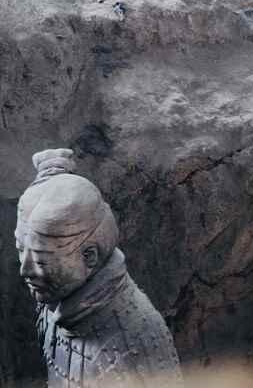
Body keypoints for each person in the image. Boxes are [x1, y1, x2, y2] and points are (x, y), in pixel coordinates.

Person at [15, 148, 181, 387]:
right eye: (22, 250)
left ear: (89, 257)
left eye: (42, 261)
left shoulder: (133, 343)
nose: (25, 270)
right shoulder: (56, 298)